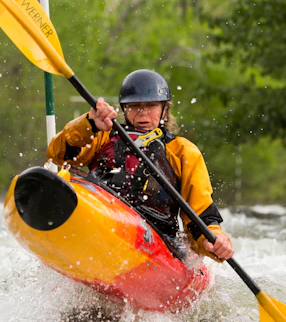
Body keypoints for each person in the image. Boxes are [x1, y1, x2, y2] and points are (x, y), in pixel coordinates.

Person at [47, 69, 234, 261]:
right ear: (125, 109)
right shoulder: (102, 136)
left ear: (164, 109)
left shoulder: (183, 151)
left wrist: (213, 238)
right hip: (102, 218)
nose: (143, 113)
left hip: (157, 242)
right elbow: (57, 155)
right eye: (135, 106)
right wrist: (89, 124)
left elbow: (200, 212)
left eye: (151, 105)